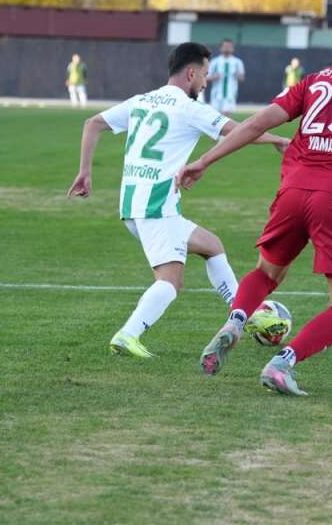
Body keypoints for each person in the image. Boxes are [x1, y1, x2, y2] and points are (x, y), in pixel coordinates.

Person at [180, 16, 332, 396]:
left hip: (293, 189)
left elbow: (255, 125)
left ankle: (236, 321)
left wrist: (204, 161)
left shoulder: (312, 82)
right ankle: (282, 364)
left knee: (267, 272)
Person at [67, 42, 289, 358]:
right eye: (205, 75)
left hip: (134, 204)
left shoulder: (142, 100)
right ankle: (128, 334)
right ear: (191, 73)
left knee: (212, 246)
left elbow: (93, 124)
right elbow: (241, 131)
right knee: (171, 281)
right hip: (157, 206)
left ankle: (244, 314)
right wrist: (277, 139)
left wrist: (84, 172)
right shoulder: (188, 108)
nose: (205, 82)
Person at [207, 39, 246, 115]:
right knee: (215, 116)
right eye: (225, 46)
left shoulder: (237, 62)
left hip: (230, 94)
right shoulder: (215, 61)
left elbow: (242, 78)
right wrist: (214, 77)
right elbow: (206, 77)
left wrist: (237, 76)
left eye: (229, 46)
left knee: (227, 116)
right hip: (216, 94)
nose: (227, 48)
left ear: (233, 48)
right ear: (220, 48)